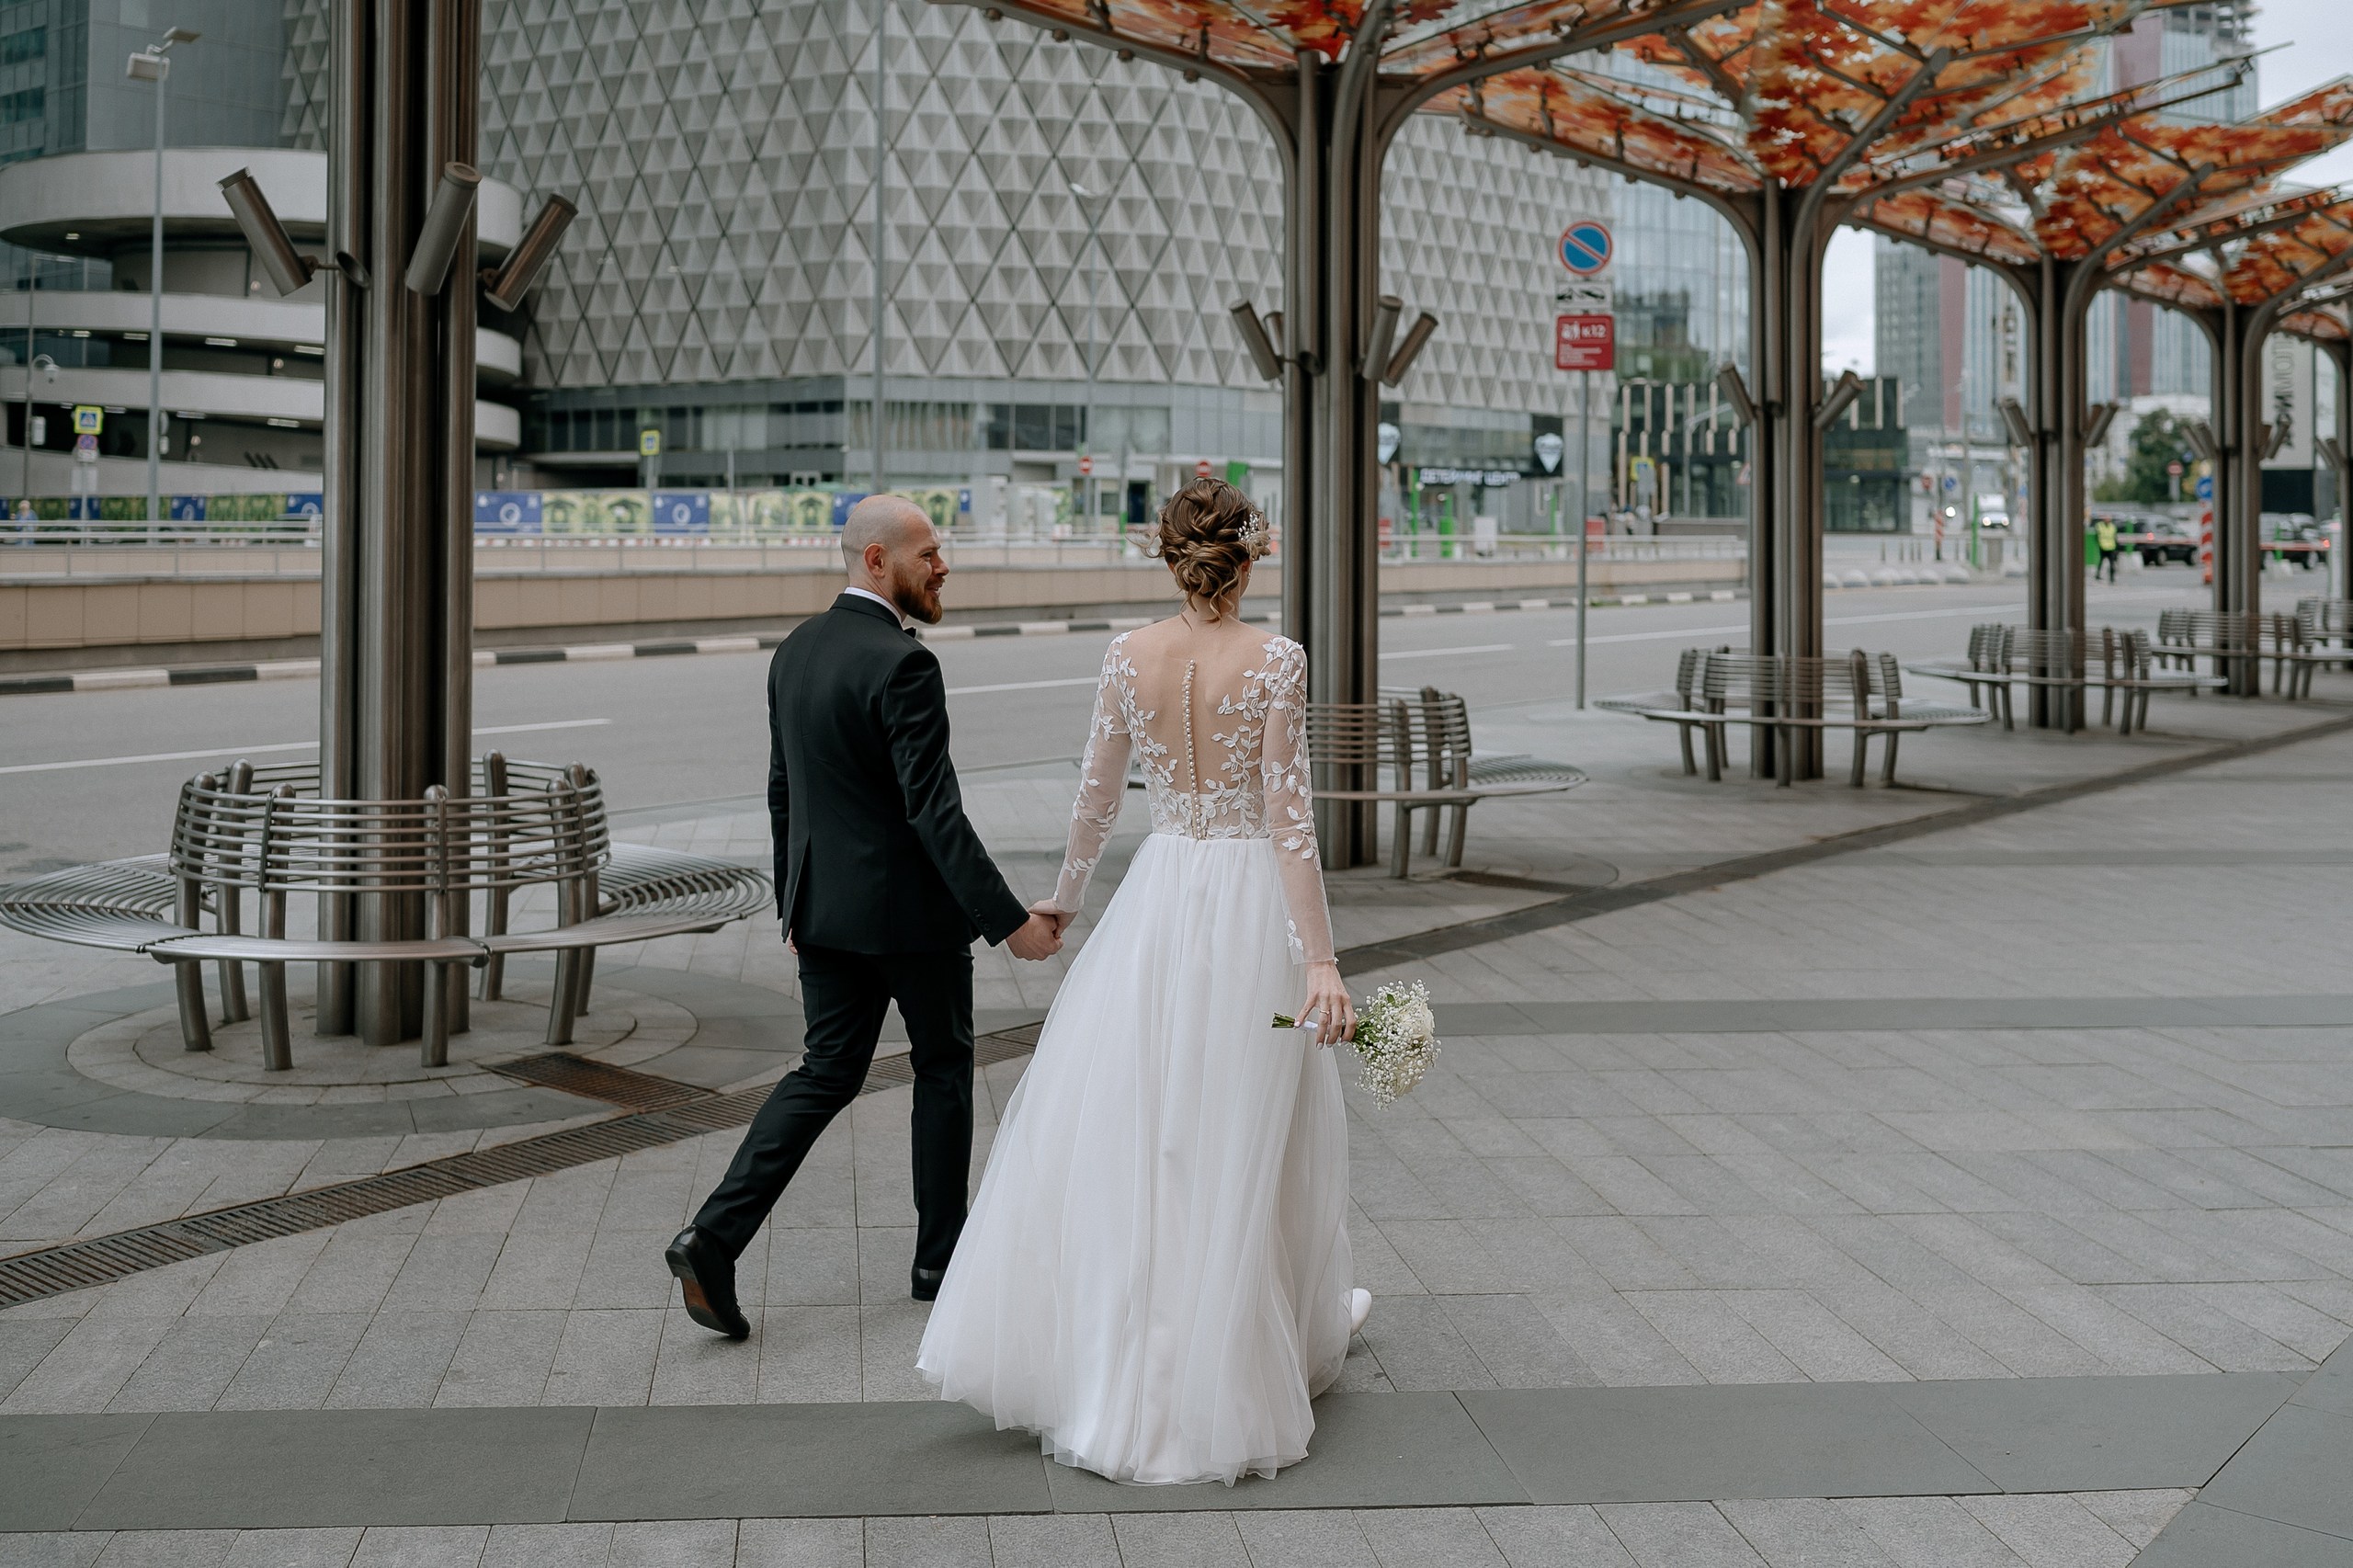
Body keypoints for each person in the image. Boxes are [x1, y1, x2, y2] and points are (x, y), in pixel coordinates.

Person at [916, 477, 1370, 1487]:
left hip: (1159, 899)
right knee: (1245, 1122)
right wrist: (1321, 958)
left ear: (1169, 557)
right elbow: (1290, 823)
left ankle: (1128, 1357)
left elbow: (1095, 797)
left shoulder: (1128, 655)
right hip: (1244, 898)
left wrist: (1064, 902)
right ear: (1247, 557)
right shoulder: (1276, 659)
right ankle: (1237, 1351)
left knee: (1147, 1120)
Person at [665, 495, 1066, 1338]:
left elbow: (785, 791)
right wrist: (1008, 923)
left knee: (825, 1072)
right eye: (928, 553)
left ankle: (713, 1236)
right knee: (945, 1066)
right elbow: (935, 814)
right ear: (878, 561)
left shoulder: (796, 651)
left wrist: (794, 900)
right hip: (909, 922)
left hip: (824, 913)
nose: (943, 564)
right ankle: (937, 1260)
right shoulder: (904, 665)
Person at [2096, 516, 2119, 584]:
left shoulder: (2112, 526)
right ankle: (2098, 575)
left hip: (2111, 548)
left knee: (2111, 563)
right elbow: (2097, 536)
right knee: (2101, 562)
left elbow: (2115, 537)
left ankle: (2112, 578)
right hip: (2103, 547)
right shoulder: (2100, 525)